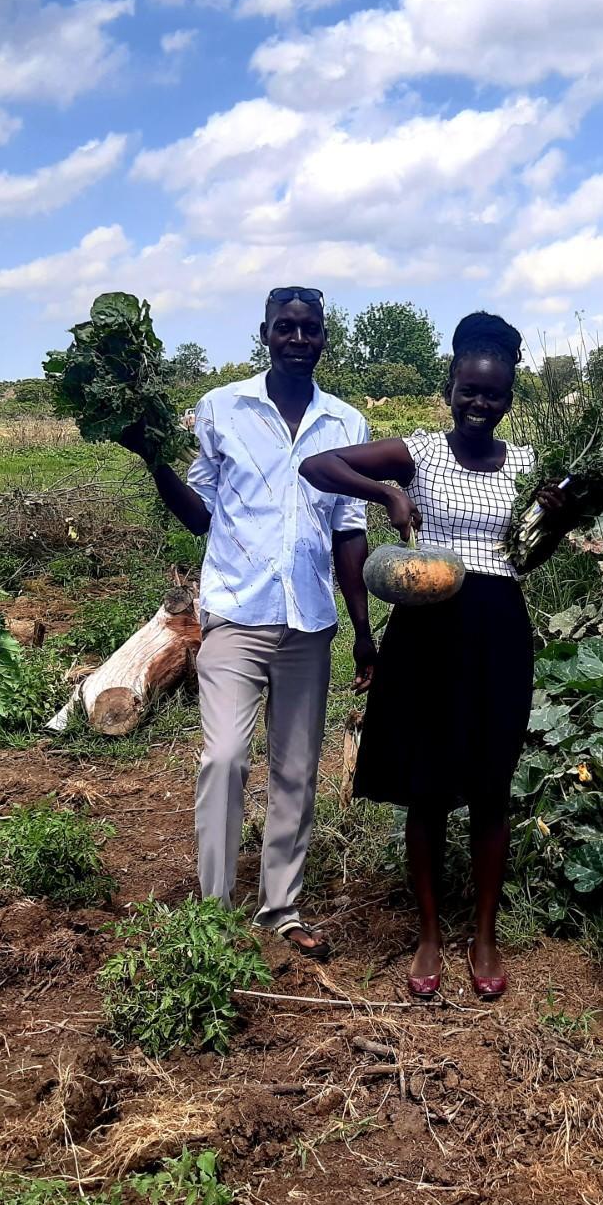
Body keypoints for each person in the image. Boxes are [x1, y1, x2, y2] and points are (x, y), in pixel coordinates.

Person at [300, 312, 577, 1001]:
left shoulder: (527, 466)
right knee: (425, 788)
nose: (481, 404)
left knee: (490, 787)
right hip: (426, 625)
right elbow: (317, 465)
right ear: (449, 388)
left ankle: (483, 934)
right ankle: (428, 932)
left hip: (498, 627)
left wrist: (557, 515)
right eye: (469, 391)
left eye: (494, 395)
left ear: (510, 399)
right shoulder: (418, 453)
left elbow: (530, 558)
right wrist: (386, 492)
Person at [119, 287, 373, 959]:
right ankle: (212, 908)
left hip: (309, 620)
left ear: (324, 337)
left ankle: (280, 909)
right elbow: (201, 513)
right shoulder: (220, 409)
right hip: (235, 611)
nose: (297, 338)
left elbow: (350, 531)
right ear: (264, 333)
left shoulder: (345, 422)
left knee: (295, 768)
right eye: (285, 327)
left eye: (309, 328)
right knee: (225, 758)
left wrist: (363, 628)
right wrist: (154, 462)